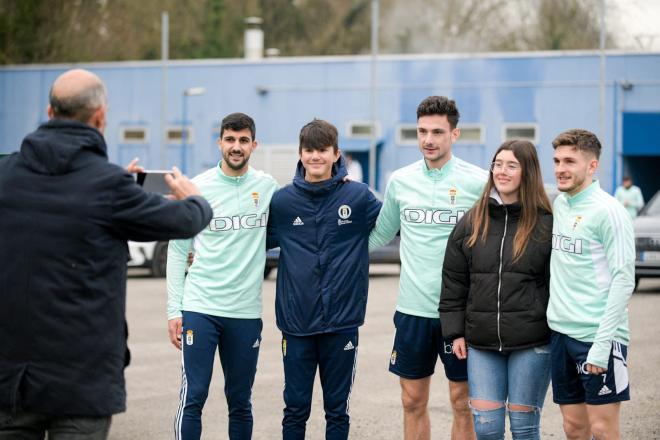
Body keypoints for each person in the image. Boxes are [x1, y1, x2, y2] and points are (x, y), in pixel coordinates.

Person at [0, 69, 213, 439]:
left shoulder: (6, 175)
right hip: (81, 383)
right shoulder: (108, 188)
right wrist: (194, 196)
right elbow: (186, 220)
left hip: (11, 381)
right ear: (100, 117)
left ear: (49, 113)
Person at [369, 96, 488, 440]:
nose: (428, 139)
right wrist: (332, 254)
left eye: (437, 131)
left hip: (462, 313)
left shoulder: (478, 182)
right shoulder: (400, 180)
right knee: (411, 400)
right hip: (412, 310)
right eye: (422, 131)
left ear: (455, 134)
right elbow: (380, 233)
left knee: (462, 400)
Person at [266, 119, 381, 439]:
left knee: (337, 410)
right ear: (300, 154)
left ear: (336, 154)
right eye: (309, 150)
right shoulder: (283, 201)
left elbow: (397, 226)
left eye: (322, 150)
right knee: (295, 409)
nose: (315, 156)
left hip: (342, 322)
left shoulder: (359, 197)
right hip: (296, 323)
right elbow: (251, 243)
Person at [167, 113, 279, 440]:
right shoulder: (197, 188)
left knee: (240, 401)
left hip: (245, 313)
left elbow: (302, 206)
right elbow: (177, 251)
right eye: (230, 139)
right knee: (195, 396)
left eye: (243, 140)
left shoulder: (267, 187)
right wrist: (175, 310)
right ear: (219, 142)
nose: (236, 146)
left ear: (254, 145)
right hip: (201, 307)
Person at [439, 140, 553, 439]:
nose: (502, 171)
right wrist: (455, 332)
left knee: (524, 429)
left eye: (511, 165)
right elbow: (454, 279)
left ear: (527, 172)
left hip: (532, 341)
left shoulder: (545, 223)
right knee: (486, 428)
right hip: (482, 343)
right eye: (498, 164)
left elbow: (559, 282)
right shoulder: (473, 220)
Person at [547, 129, 635, 440]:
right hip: (561, 335)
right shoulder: (560, 205)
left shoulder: (609, 211)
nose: (560, 168)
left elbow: (625, 280)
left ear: (592, 166)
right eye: (557, 160)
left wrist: (602, 346)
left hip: (598, 338)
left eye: (570, 161)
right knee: (574, 428)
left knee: (603, 429)